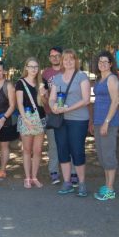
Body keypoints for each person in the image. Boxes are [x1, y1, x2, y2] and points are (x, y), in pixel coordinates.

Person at [49, 49, 91, 197]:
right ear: (61, 61)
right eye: (65, 59)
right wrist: (54, 106)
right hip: (61, 120)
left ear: (76, 61)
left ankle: (81, 183)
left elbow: (86, 100)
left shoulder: (82, 76)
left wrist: (67, 108)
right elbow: (52, 98)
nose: (68, 62)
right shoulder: (57, 78)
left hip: (78, 120)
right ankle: (67, 183)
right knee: (62, 150)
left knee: (77, 151)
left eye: (71, 59)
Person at [42, 47, 78, 186]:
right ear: (49, 58)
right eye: (52, 56)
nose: (55, 58)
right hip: (52, 114)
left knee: (71, 144)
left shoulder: (68, 70)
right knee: (53, 145)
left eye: (58, 55)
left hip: (70, 113)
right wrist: (44, 98)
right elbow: (44, 98)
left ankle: (73, 173)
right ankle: (54, 172)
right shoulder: (46, 73)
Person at [90, 51, 119, 201]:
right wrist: (95, 122)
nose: (102, 64)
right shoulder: (100, 79)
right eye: (100, 61)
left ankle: (110, 189)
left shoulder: (112, 79)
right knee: (102, 156)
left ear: (111, 64)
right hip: (98, 122)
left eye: (105, 62)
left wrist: (106, 123)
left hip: (109, 123)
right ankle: (107, 184)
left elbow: (115, 102)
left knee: (108, 155)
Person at [16, 57, 48, 189]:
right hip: (27, 119)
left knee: (38, 151)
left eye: (36, 66)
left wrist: (43, 94)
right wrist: (26, 120)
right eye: (31, 66)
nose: (34, 69)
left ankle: (34, 177)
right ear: (26, 68)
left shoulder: (42, 82)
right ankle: (27, 177)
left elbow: (45, 104)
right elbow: (19, 104)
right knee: (27, 150)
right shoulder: (20, 83)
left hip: (40, 120)